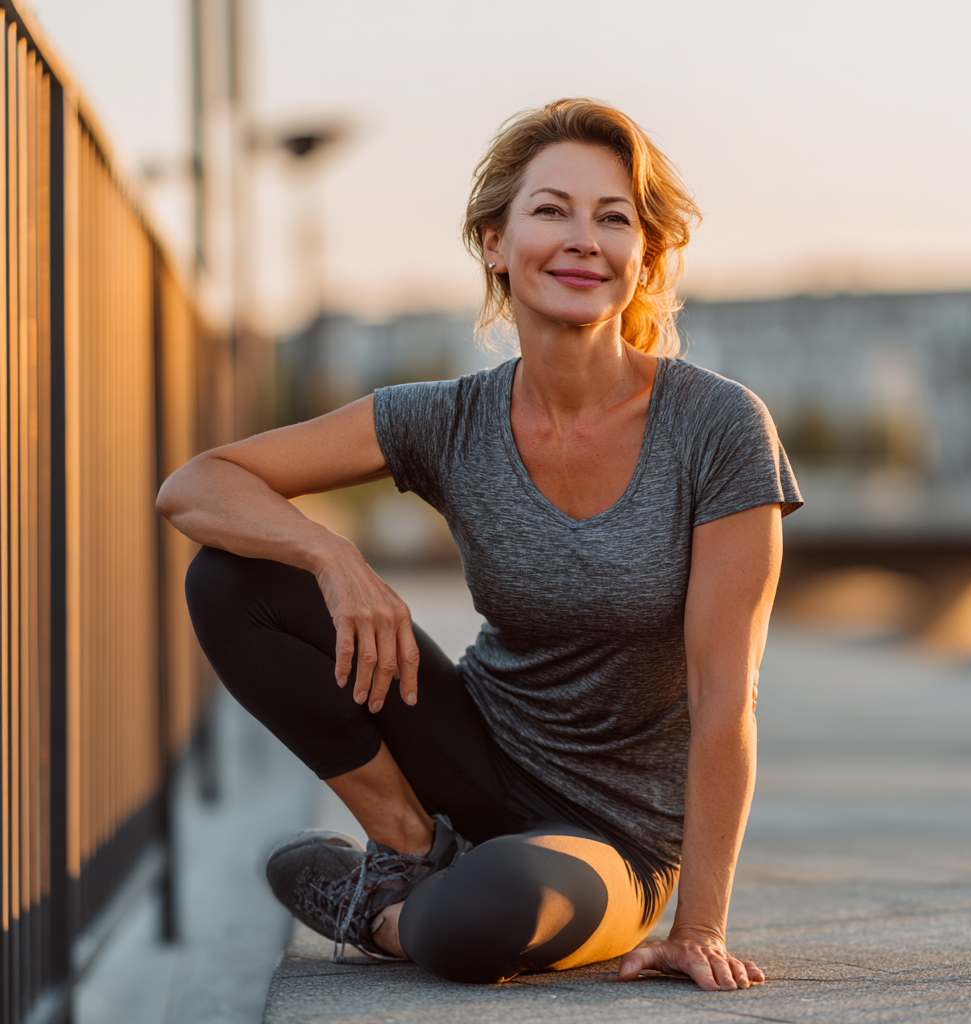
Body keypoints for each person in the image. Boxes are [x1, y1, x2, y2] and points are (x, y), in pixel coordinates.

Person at [157, 97, 802, 989]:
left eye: (613, 219)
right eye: (551, 210)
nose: (583, 238)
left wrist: (698, 925)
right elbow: (195, 485)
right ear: (495, 244)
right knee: (234, 581)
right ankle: (408, 846)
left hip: (609, 839)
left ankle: (382, 911)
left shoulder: (718, 426)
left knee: (474, 927)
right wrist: (333, 558)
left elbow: (725, 693)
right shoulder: (449, 418)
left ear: (642, 257)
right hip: (474, 749)